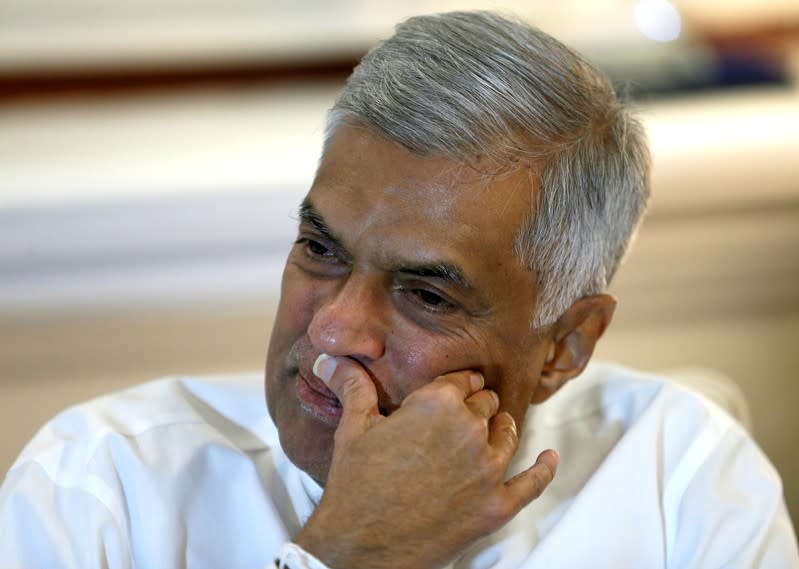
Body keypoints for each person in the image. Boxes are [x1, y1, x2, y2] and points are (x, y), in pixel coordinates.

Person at [1, 10, 797, 569]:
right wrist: (348, 555)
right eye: (319, 249)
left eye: (427, 295)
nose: (334, 332)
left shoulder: (679, 477)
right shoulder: (101, 485)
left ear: (565, 344)